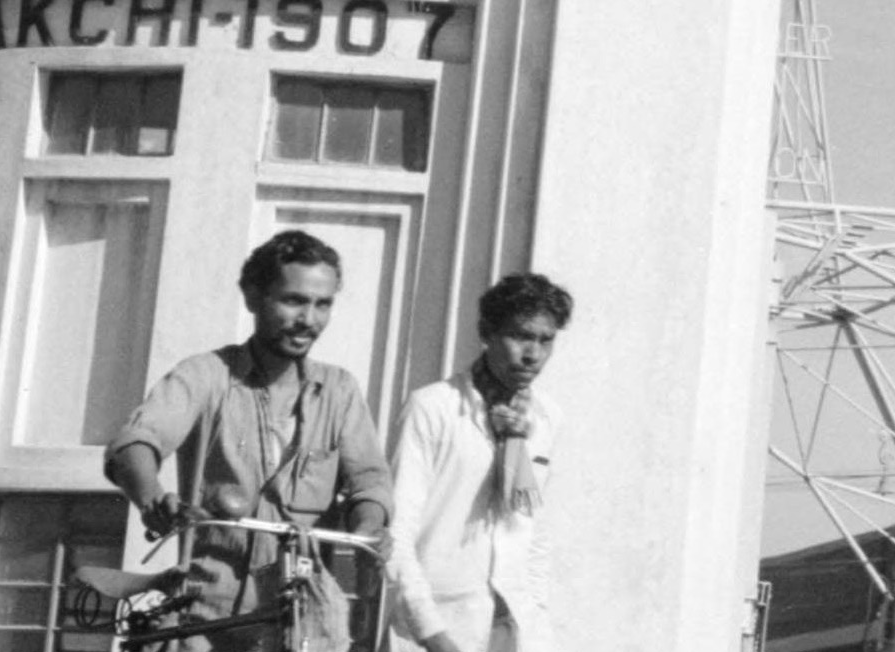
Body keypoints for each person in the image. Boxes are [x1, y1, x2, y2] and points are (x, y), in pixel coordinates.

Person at [106, 228, 394, 652]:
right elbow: (137, 441)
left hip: (302, 626)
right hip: (204, 621)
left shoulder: (340, 391)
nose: (308, 320)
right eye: (294, 300)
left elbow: (370, 482)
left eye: (322, 304)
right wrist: (153, 500)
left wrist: (368, 528)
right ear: (253, 297)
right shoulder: (206, 375)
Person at [382, 272, 571, 651]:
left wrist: (537, 625)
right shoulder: (433, 408)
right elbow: (397, 532)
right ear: (487, 332)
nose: (533, 353)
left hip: (513, 628)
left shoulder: (546, 417)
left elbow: (533, 532)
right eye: (520, 336)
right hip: (440, 626)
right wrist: (432, 633)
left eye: (545, 340)